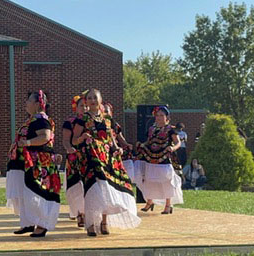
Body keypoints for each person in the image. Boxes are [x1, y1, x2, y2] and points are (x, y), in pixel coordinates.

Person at [72, 89, 141, 236]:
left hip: (107, 158)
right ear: (86, 101)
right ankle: (90, 223)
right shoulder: (81, 119)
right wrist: (82, 137)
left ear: (100, 100)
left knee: (107, 189)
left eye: (94, 98)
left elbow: (111, 138)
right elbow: (74, 140)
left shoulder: (107, 119)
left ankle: (104, 222)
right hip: (90, 158)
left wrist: (118, 149)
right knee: (93, 189)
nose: (92, 100)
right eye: (89, 98)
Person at [6, 90, 62, 238]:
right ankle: (28, 222)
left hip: (39, 163)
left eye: (29, 101)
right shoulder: (32, 120)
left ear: (37, 104)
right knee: (26, 192)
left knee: (36, 192)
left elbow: (45, 136)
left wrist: (28, 142)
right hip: (27, 162)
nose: (26, 103)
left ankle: (42, 224)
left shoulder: (41, 120)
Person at [135, 106, 184, 214]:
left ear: (167, 117)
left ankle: (168, 205)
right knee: (149, 180)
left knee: (166, 181)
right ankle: (149, 201)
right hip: (151, 158)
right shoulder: (151, 129)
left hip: (164, 158)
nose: (159, 118)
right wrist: (142, 145)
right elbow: (149, 141)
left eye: (162, 115)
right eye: (157, 115)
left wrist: (172, 148)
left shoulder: (171, 130)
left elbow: (178, 142)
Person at [62, 93, 88, 227]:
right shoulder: (70, 122)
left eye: (86, 106)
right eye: (81, 106)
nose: (84, 108)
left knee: (89, 185)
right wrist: (69, 148)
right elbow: (66, 141)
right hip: (74, 157)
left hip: (90, 157)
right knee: (76, 186)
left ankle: (89, 212)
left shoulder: (92, 120)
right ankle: (79, 213)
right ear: (76, 107)